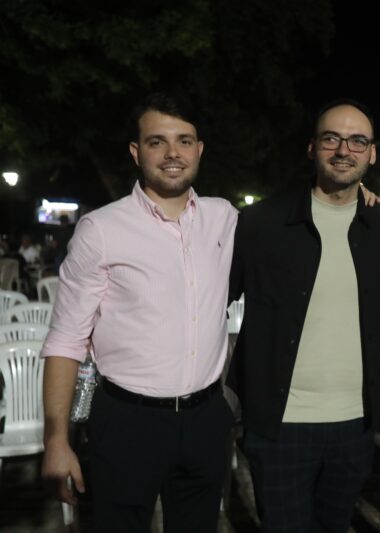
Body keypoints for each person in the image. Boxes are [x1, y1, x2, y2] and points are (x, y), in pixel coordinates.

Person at [41, 93, 238, 532]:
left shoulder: (224, 217)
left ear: (199, 149)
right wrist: (55, 441)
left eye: (184, 140)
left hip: (206, 416)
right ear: (136, 151)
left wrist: (355, 197)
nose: (172, 153)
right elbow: (66, 339)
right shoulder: (101, 229)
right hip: (127, 421)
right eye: (156, 142)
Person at [228, 99, 380, 532]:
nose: (344, 150)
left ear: (372, 154)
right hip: (280, 425)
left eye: (357, 141)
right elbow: (210, 300)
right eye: (332, 138)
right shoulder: (261, 222)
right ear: (312, 148)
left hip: (355, 426)